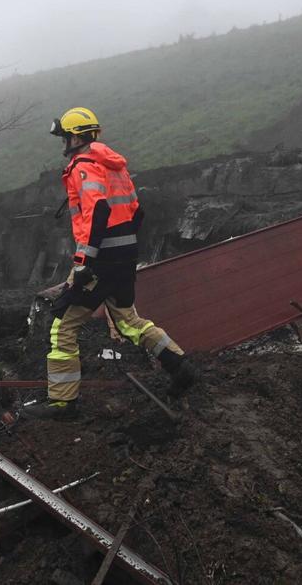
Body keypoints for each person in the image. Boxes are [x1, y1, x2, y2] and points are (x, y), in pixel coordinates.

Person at [26, 107, 195, 420]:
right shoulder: (115, 166)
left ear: (76, 136)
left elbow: (98, 211)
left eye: (64, 137)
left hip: (99, 260)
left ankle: (62, 404)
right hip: (124, 255)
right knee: (129, 321)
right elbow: (137, 212)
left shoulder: (83, 166)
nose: (62, 143)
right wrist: (123, 250)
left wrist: (83, 262)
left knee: (63, 326)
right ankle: (181, 367)